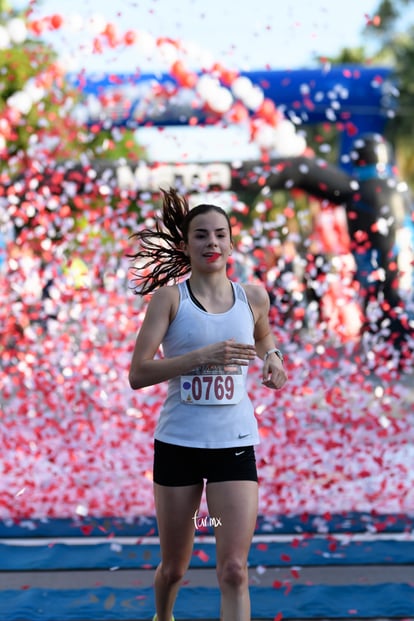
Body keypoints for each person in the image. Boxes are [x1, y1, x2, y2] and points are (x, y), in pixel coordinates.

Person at [128, 187, 287, 621]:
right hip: (179, 446)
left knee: (234, 569)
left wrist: (273, 358)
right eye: (201, 235)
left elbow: (263, 336)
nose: (211, 243)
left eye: (219, 235)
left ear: (232, 243)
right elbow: (138, 373)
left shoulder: (253, 297)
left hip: (233, 446)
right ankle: (164, 616)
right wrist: (201, 357)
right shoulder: (169, 299)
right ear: (185, 244)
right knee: (176, 567)